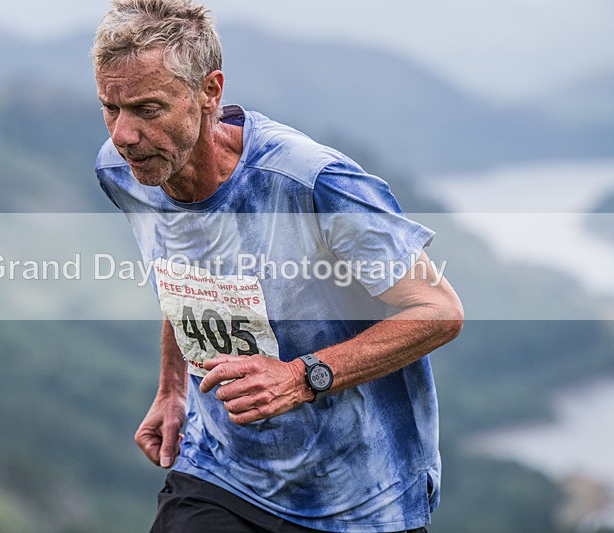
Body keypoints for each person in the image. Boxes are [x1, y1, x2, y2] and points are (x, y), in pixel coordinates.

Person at [92, 1, 464, 532]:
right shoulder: (125, 171)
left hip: (360, 498)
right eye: (110, 108)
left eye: (147, 109)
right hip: (221, 474)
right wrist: (172, 388)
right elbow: (184, 275)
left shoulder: (313, 182)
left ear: (209, 92)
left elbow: (439, 311)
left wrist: (299, 377)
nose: (123, 134)